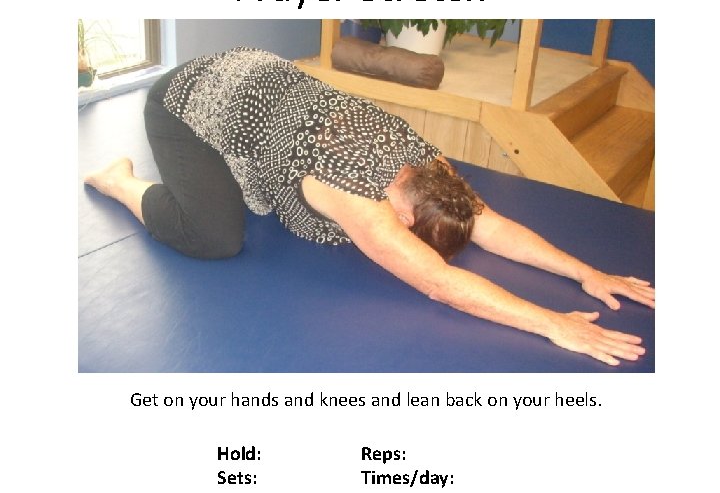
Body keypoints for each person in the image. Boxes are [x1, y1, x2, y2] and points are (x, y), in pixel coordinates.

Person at [84, 46, 655, 366]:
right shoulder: (357, 196)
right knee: (216, 237)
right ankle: (121, 182)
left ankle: (236, 166)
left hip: (259, 76)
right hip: (187, 99)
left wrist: (586, 271)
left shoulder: (429, 167)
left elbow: (493, 224)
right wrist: (553, 324)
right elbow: (440, 284)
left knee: (256, 200)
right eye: (413, 234)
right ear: (403, 218)